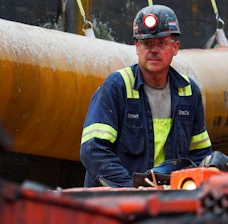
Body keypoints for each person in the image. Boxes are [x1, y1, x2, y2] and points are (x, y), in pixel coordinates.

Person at [80, 5, 212, 188]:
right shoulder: (117, 87)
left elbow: (200, 154)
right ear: (136, 47)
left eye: (161, 43)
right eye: (147, 43)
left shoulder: (188, 92)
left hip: (167, 201)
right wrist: (131, 189)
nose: (154, 50)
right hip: (114, 203)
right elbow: (93, 150)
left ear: (175, 48)